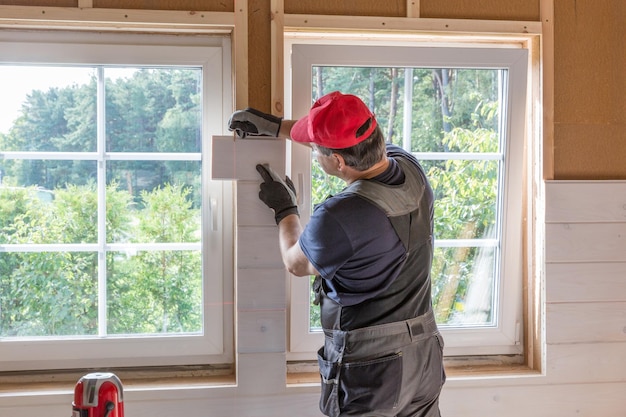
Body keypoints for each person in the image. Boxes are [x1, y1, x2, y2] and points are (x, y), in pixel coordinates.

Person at [229, 91, 445, 417]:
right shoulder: (410, 168)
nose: (314, 154)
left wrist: (285, 208)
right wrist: (275, 127)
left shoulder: (343, 214)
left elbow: (294, 261)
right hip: (424, 355)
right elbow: (339, 142)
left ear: (339, 163)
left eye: (317, 151)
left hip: (375, 369)